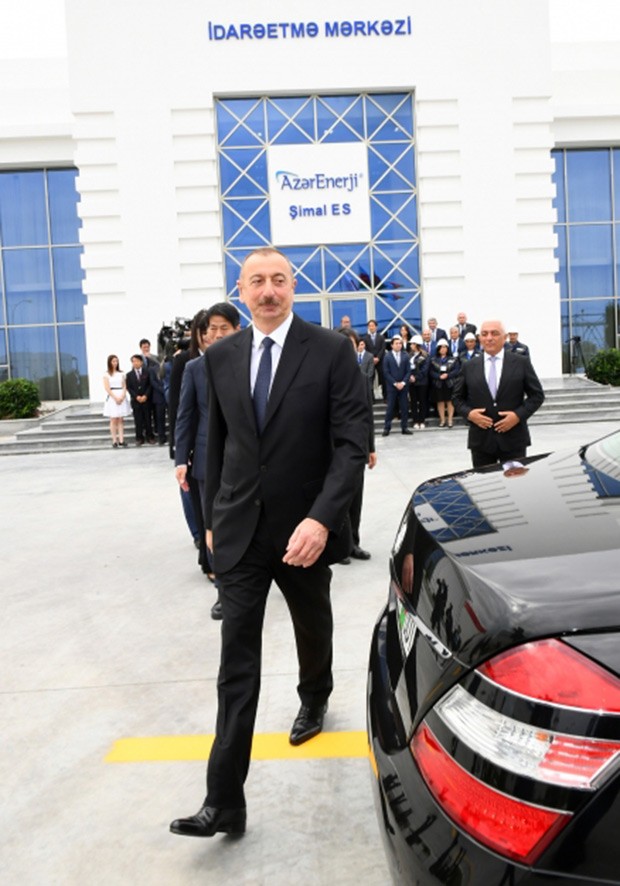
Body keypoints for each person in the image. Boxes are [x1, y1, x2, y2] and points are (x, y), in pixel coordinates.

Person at [169, 247, 369, 840]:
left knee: (312, 623)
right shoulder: (220, 357)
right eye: (256, 281)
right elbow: (217, 444)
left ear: (293, 286)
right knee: (236, 663)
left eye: (278, 280)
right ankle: (223, 801)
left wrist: (322, 520)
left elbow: (351, 444)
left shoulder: (330, 351)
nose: (268, 291)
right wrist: (212, 517)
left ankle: (315, 696)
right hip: (239, 531)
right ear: (242, 289)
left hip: (303, 529)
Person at [174, 303, 241, 619]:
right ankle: (224, 591)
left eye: (223, 328)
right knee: (213, 525)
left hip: (244, 459)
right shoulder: (194, 369)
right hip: (205, 460)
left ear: (237, 330)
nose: (217, 334)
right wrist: (180, 460)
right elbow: (185, 416)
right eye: (211, 329)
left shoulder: (249, 362)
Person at [452, 319, 545, 467]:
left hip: (513, 440)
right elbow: (457, 398)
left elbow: (537, 395)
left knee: (516, 482)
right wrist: (470, 414)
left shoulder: (521, 362)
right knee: (484, 482)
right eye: (484, 334)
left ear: (505, 337)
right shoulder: (469, 366)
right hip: (481, 441)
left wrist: (517, 416)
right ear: (479, 338)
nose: (489, 338)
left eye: (494, 333)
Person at [338, 326, 377, 561]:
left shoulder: (362, 378)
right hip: (333, 449)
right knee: (337, 499)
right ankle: (340, 547)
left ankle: (354, 543)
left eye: (352, 346)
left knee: (355, 498)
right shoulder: (324, 376)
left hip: (357, 448)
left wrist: (371, 448)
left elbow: (367, 415)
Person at [381, 335, 413, 436]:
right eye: (396, 343)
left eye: (400, 343)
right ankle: (387, 428)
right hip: (392, 386)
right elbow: (386, 372)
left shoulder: (405, 355)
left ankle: (404, 427)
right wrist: (395, 383)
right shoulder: (387, 356)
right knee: (390, 407)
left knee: (404, 407)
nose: (399, 345)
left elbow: (408, 371)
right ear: (392, 345)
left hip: (403, 386)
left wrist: (403, 383)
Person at [429, 339, 460, 428]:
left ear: (447, 348)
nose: (443, 349)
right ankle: (442, 420)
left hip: (450, 383)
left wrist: (448, 375)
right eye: (441, 347)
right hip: (438, 384)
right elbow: (431, 371)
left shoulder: (453, 359)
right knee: (440, 402)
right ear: (438, 349)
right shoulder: (433, 359)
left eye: (445, 347)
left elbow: (457, 370)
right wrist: (439, 376)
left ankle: (450, 420)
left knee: (450, 402)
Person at [102, 355, 131, 447]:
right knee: (113, 419)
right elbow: (107, 388)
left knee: (120, 419)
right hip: (112, 396)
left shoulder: (121, 373)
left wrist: (122, 396)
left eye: (116, 361)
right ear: (109, 362)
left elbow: (124, 386)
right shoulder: (106, 374)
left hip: (121, 395)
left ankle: (121, 440)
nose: (115, 363)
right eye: (113, 361)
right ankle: (114, 440)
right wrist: (115, 397)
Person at [125, 354, 154, 444]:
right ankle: (139, 438)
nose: (135, 363)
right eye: (133, 361)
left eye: (137, 361)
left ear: (141, 362)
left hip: (146, 400)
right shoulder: (129, 375)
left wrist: (146, 395)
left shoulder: (147, 372)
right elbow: (129, 388)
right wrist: (136, 396)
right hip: (136, 401)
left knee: (148, 419)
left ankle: (150, 436)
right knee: (138, 420)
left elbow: (150, 385)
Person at [361, 319, 386, 400]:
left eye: (372, 326)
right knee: (370, 379)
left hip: (380, 361)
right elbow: (366, 349)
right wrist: (372, 358)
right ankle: (371, 398)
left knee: (383, 378)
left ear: (376, 327)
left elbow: (383, 348)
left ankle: (385, 397)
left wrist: (378, 358)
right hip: (370, 361)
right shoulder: (365, 338)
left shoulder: (381, 337)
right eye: (369, 326)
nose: (371, 327)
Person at [409, 335, 430, 429]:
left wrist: (416, 377)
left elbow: (425, 370)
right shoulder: (409, 355)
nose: (411, 345)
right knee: (413, 402)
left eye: (412, 344)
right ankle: (415, 421)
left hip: (422, 382)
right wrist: (410, 376)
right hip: (411, 382)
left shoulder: (425, 356)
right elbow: (407, 367)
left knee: (422, 401)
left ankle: (422, 420)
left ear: (417, 344)